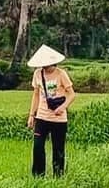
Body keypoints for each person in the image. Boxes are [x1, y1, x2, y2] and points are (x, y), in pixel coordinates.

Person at [26, 45, 75, 177]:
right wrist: (32, 115)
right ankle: (38, 177)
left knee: (58, 150)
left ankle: (58, 177)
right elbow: (36, 94)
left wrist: (62, 107)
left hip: (58, 119)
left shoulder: (61, 74)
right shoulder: (37, 74)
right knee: (37, 147)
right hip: (41, 117)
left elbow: (71, 94)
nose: (45, 67)